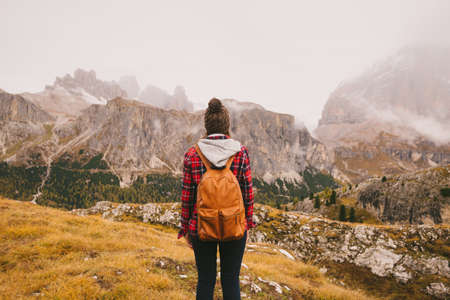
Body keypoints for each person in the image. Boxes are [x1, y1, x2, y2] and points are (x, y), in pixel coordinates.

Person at [178, 98, 255, 300]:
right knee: (230, 279)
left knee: (205, 280)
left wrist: (185, 228)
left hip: (201, 226)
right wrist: (248, 222)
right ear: (227, 125)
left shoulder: (192, 155)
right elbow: (247, 193)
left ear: (206, 126)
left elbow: (187, 197)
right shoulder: (240, 152)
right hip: (235, 225)